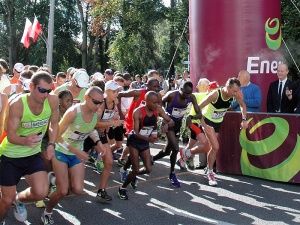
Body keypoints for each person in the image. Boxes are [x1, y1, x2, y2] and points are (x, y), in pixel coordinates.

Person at [0, 71, 59, 224]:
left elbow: (54, 124)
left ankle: (19, 200)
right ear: (32, 86)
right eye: (42, 90)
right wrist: (26, 140)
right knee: (6, 201)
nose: (45, 94)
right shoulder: (18, 104)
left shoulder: (52, 101)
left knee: (41, 192)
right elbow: (10, 136)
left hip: (32, 155)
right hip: (10, 156)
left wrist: (52, 143)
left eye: (49, 90)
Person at [43, 86, 106, 224]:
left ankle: (54, 179)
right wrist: (76, 150)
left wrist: (98, 142)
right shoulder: (73, 112)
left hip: (76, 152)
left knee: (78, 189)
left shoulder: (96, 113)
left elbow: (90, 129)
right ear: (86, 98)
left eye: (101, 102)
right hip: (61, 150)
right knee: (62, 191)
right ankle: (47, 213)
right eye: (96, 102)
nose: (98, 105)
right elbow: (56, 135)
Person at [180, 77, 248, 186]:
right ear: (227, 88)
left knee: (209, 147)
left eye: (237, 91)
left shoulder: (234, 94)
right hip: (207, 120)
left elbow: (242, 105)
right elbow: (198, 108)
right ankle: (210, 173)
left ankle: (187, 153)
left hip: (218, 122)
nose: (236, 93)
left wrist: (244, 119)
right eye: (234, 91)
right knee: (216, 146)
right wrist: (203, 124)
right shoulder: (215, 95)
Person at [118, 91, 174, 200]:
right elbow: (136, 133)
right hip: (134, 140)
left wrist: (166, 124)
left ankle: (132, 175)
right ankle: (122, 188)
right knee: (135, 168)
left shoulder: (158, 109)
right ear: (146, 101)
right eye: (154, 103)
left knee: (148, 169)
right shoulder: (138, 112)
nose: (156, 105)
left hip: (145, 141)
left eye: (157, 102)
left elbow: (171, 121)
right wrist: (149, 139)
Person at [152, 81, 203, 187]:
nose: (187, 96)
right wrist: (164, 116)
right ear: (180, 89)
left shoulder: (191, 97)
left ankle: (151, 159)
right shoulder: (171, 95)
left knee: (167, 152)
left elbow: (199, 114)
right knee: (175, 148)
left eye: (189, 94)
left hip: (178, 125)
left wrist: (191, 117)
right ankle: (172, 174)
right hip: (168, 124)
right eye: (185, 93)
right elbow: (159, 105)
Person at [116, 78, 162, 167]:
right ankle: (127, 159)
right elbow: (120, 95)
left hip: (145, 122)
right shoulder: (139, 93)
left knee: (136, 141)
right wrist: (120, 113)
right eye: (154, 86)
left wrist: (156, 126)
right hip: (132, 120)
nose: (157, 89)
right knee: (134, 139)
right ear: (148, 86)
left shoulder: (157, 96)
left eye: (158, 86)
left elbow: (158, 111)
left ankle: (124, 158)